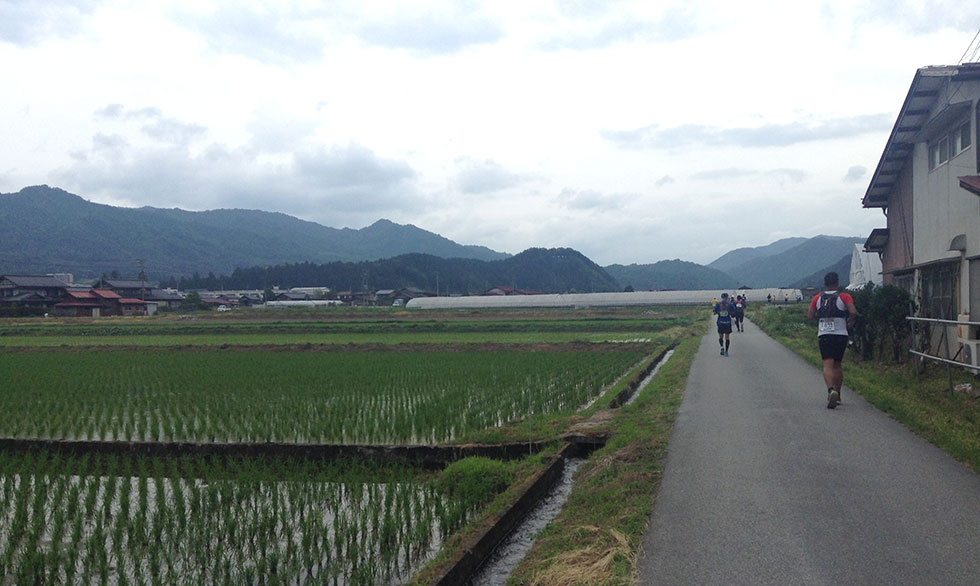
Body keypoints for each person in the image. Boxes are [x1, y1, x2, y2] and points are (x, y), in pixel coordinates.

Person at [807, 272, 858, 409]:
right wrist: (850, 322)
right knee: (837, 365)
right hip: (841, 334)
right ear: (837, 282)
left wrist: (821, 317)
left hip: (824, 334)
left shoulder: (817, 298)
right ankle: (839, 393)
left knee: (827, 365)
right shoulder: (844, 296)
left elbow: (810, 316)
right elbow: (853, 311)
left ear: (825, 283)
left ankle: (831, 391)